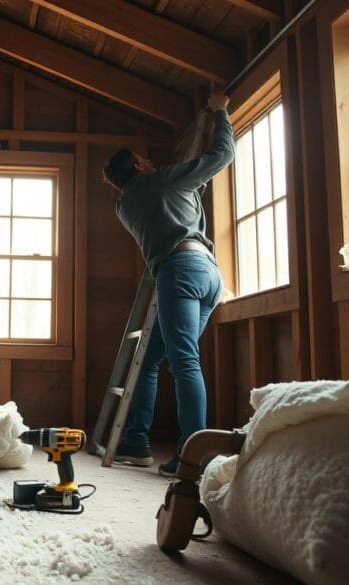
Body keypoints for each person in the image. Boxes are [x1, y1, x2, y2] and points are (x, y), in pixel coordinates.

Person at [101, 92, 234, 477]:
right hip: (205, 271)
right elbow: (221, 156)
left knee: (170, 360)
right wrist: (222, 113)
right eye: (145, 160)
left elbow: (186, 191)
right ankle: (177, 451)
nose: (150, 161)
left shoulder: (125, 206)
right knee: (173, 360)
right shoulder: (165, 181)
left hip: (179, 271)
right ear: (140, 167)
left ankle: (172, 450)